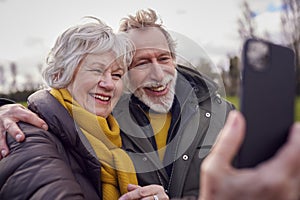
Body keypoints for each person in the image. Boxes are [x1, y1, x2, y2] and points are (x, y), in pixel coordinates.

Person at [2, 8, 300, 200]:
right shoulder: (109, 123)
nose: (158, 74)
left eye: (164, 58)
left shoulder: (227, 117)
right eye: (141, 63)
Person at [0, 17, 169, 200]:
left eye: (117, 75)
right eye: (96, 70)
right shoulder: (26, 136)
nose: (109, 84)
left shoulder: (117, 136)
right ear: (60, 74)